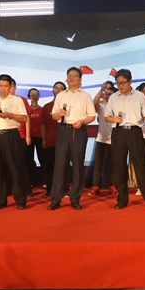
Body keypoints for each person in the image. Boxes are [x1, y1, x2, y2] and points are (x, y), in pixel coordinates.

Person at [104, 69, 145, 209]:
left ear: (130, 81)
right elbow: (106, 116)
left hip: (135, 132)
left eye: (123, 83)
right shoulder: (113, 97)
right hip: (118, 132)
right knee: (119, 166)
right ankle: (122, 200)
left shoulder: (139, 96)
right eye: (118, 83)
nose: (120, 86)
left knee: (140, 166)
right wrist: (114, 119)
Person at [47, 67, 96, 210]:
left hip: (79, 131)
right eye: (69, 76)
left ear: (80, 79)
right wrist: (60, 114)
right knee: (59, 166)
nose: (72, 78)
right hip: (63, 130)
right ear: (66, 79)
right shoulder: (61, 96)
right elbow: (54, 116)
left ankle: (75, 199)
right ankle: (56, 199)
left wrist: (82, 121)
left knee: (78, 166)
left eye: (75, 76)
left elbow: (92, 116)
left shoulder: (85, 96)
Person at [0, 74, 29, 210]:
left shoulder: (17, 100)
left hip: (12, 135)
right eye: (1, 86)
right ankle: (1, 200)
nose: (3, 89)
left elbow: (24, 118)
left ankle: (20, 200)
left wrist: (10, 115)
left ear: (10, 87)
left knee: (15, 168)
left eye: (6, 86)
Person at [89, 82, 116, 196]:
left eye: (110, 94)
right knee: (98, 164)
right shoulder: (102, 107)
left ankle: (113, 186)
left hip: (115, 140)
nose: (107, 96)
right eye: (106, 94)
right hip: (101, 139)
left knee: (114, 164)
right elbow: (94, 103)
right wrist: (101, 90)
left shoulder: (119, 109)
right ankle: (96, 186)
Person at [41, 81, 67, 198]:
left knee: (64, 166)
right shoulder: (47, 107)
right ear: (53, 90)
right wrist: (44, 139)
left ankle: (64, 190)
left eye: (61, 88)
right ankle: (50, 190)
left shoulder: (67, 105)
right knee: (50, 166)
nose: (58, 90)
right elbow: (43, 124)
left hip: (65, 141)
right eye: (56, 88)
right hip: (51, 140)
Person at [26, 88, 45, 191]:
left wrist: (44, 139)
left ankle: (45, 181)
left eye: (36, 94)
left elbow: (44, 125)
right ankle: (30, 181)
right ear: (29, 96)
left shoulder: (42, 110)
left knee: (43, 159)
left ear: (39, 96)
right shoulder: (25, 110)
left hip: (40, 137)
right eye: (32, 94)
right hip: (29, 137)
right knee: (29, 160)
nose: (34, 96)